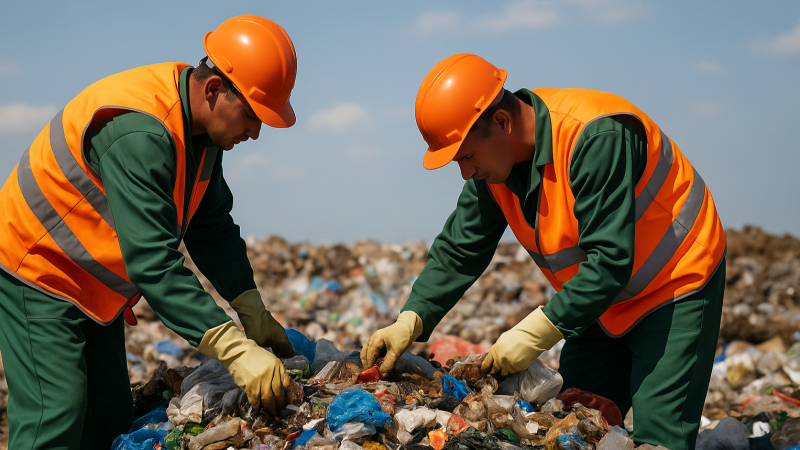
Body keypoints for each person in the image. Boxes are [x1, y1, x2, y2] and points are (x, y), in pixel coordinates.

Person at [361, 53, 726, 450]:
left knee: (659, 440)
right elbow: (459, 249)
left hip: (674, 287)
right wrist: (411, 319)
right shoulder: (495, 169)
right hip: (597, 305)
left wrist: (533, 333)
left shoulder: (594, 137)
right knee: (575, 424)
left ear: (502, 123)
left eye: (466, 156)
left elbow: (610, 261)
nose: (465, 173)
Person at [0, 15, 299, 449]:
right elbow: (153, 261)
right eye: (253, 116)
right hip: (39, 268)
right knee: (56, 415)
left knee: (109, 418)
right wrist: (234, 349)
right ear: (214, 90)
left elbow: (210, 226)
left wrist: (249, 305)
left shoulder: (200, 134)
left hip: (93, 283)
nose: (255, 132)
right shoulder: (141, 131)